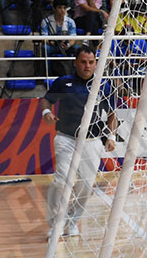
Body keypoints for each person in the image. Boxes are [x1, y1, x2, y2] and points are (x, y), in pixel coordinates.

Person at [41, 46, 118, 237]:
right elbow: (46, 100)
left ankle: (73, 222)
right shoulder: (63, 82)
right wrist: (47, 112)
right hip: (66, 139)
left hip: (91, 142)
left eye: (91, 62)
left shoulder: (103, 85)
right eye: (83, 62)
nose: (87, 66)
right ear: (75, 62)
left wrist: (111, 136)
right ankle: (55, 224)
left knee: (86, 185)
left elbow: (112, 115)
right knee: (61, 182)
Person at [41, 0, 77, 77]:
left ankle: (74, 74)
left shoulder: (70, 22)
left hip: (65, 47)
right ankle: (48, 74)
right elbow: (43, 38)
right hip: (52, 46)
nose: (62, 10)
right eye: (59, 8)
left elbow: (73, 39)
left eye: (64, 8)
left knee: (76, 48)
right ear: (54, 8)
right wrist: (50, 41)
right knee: (45, 48)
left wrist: (67, 44)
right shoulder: (46, 21)